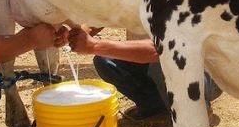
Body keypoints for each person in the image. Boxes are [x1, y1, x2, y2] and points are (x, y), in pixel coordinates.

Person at [68, 28, 222, 120]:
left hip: (202, 73)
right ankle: (153, 104)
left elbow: (158, 50)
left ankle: (196, 110)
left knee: (161, 63)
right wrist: (71, 33)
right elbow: (98, 19)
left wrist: (94, 45)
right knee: (104, 61)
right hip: (151, 60)